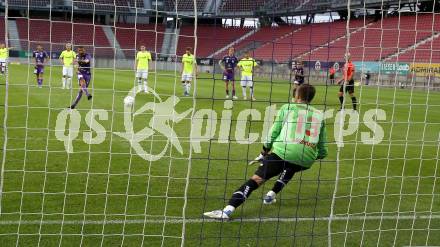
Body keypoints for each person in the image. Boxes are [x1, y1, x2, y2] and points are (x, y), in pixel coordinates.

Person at [203, 84, 328, 219]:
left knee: (257, 179)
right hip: (306, 160)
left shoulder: (288, 108)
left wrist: (264, 151)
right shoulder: (319, 115)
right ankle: (271, 195)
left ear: (296, 96)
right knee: (290, 167)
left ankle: (227, 210)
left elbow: (274, 131)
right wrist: (315, 156)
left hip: (283, 153)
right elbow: (322, 147)